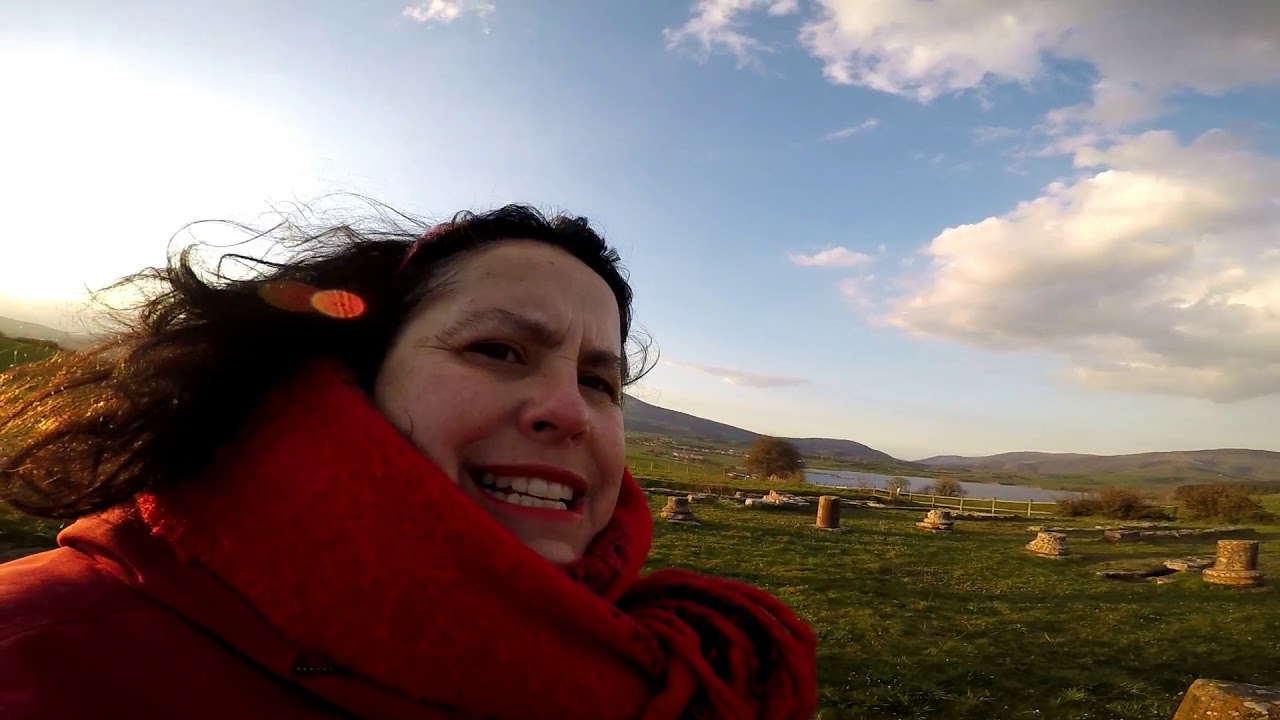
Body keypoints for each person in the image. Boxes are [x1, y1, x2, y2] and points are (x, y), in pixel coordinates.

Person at [0, 203, 817, 719]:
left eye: (599, 380)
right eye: (498, 349)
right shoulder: (39, 653)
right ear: (352, 379)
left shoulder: (680, 665)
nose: (569, 411)